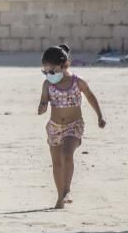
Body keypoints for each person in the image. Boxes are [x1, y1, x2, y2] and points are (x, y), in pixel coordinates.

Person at [37, 44, 106, 209]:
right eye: (45, 72)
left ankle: (67, 190)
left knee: (67, 155)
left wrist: (100, 116)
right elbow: (43, 102)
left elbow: (90, 96)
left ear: (64, 65)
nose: (49, 75)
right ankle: (60, 196)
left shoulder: (77, 82)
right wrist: (42, 107)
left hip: (74, 125)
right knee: (56, 164)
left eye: (52, 71)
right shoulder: (47, 85)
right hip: (54, 127)